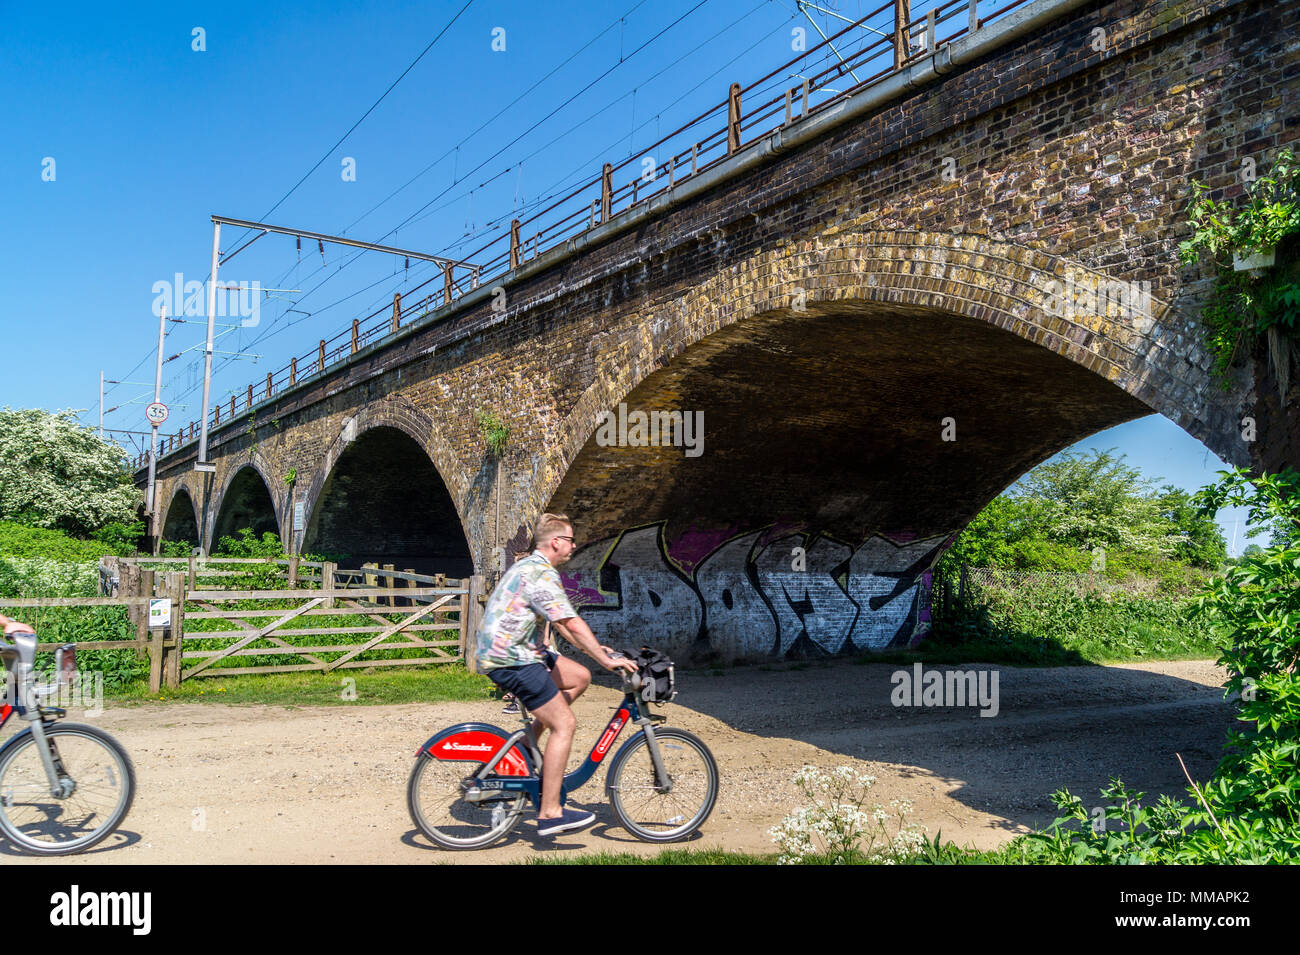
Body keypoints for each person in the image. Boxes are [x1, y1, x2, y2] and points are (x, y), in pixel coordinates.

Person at [475, 512, 637, 837]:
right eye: (571, 540)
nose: (574, 545)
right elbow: (570, 623)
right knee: (565, 724)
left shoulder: (529, 567)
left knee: (578, 676)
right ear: (556, 542)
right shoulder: (541, 573)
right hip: (511, 659)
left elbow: (568, 625)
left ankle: (523, 749)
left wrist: (597, 652)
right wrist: (606, 661)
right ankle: (549, 813)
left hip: (512, 653)